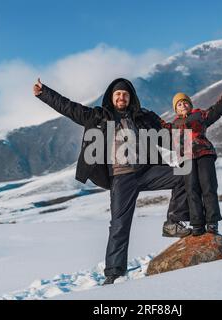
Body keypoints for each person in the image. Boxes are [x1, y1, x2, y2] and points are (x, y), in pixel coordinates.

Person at [33, 78, 191, 285]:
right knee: (119, 226)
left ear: (130, 97)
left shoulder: (142, 117)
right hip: (121, 178)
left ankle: (173, 222)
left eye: (125, 94)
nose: (121, 97)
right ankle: (114, 273)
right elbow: (69, 107)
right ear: (111, 97)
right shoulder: (98, 116)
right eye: (117, 94)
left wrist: (192, 138)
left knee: (185, 174)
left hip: (146, 171)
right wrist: (44, 93)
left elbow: (167, 136)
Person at [160, 79, 222, 236]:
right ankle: (197, 224)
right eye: (179, 104)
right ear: (175, 110)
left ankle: (212, 223)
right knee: (192, 190)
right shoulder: (172, 126)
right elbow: (155, 124)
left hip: (204, 153)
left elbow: (218, 109)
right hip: (186, 158)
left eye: (185, 102)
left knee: (208, 187)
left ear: (190, 105)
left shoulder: (200, 116)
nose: (183, 105)